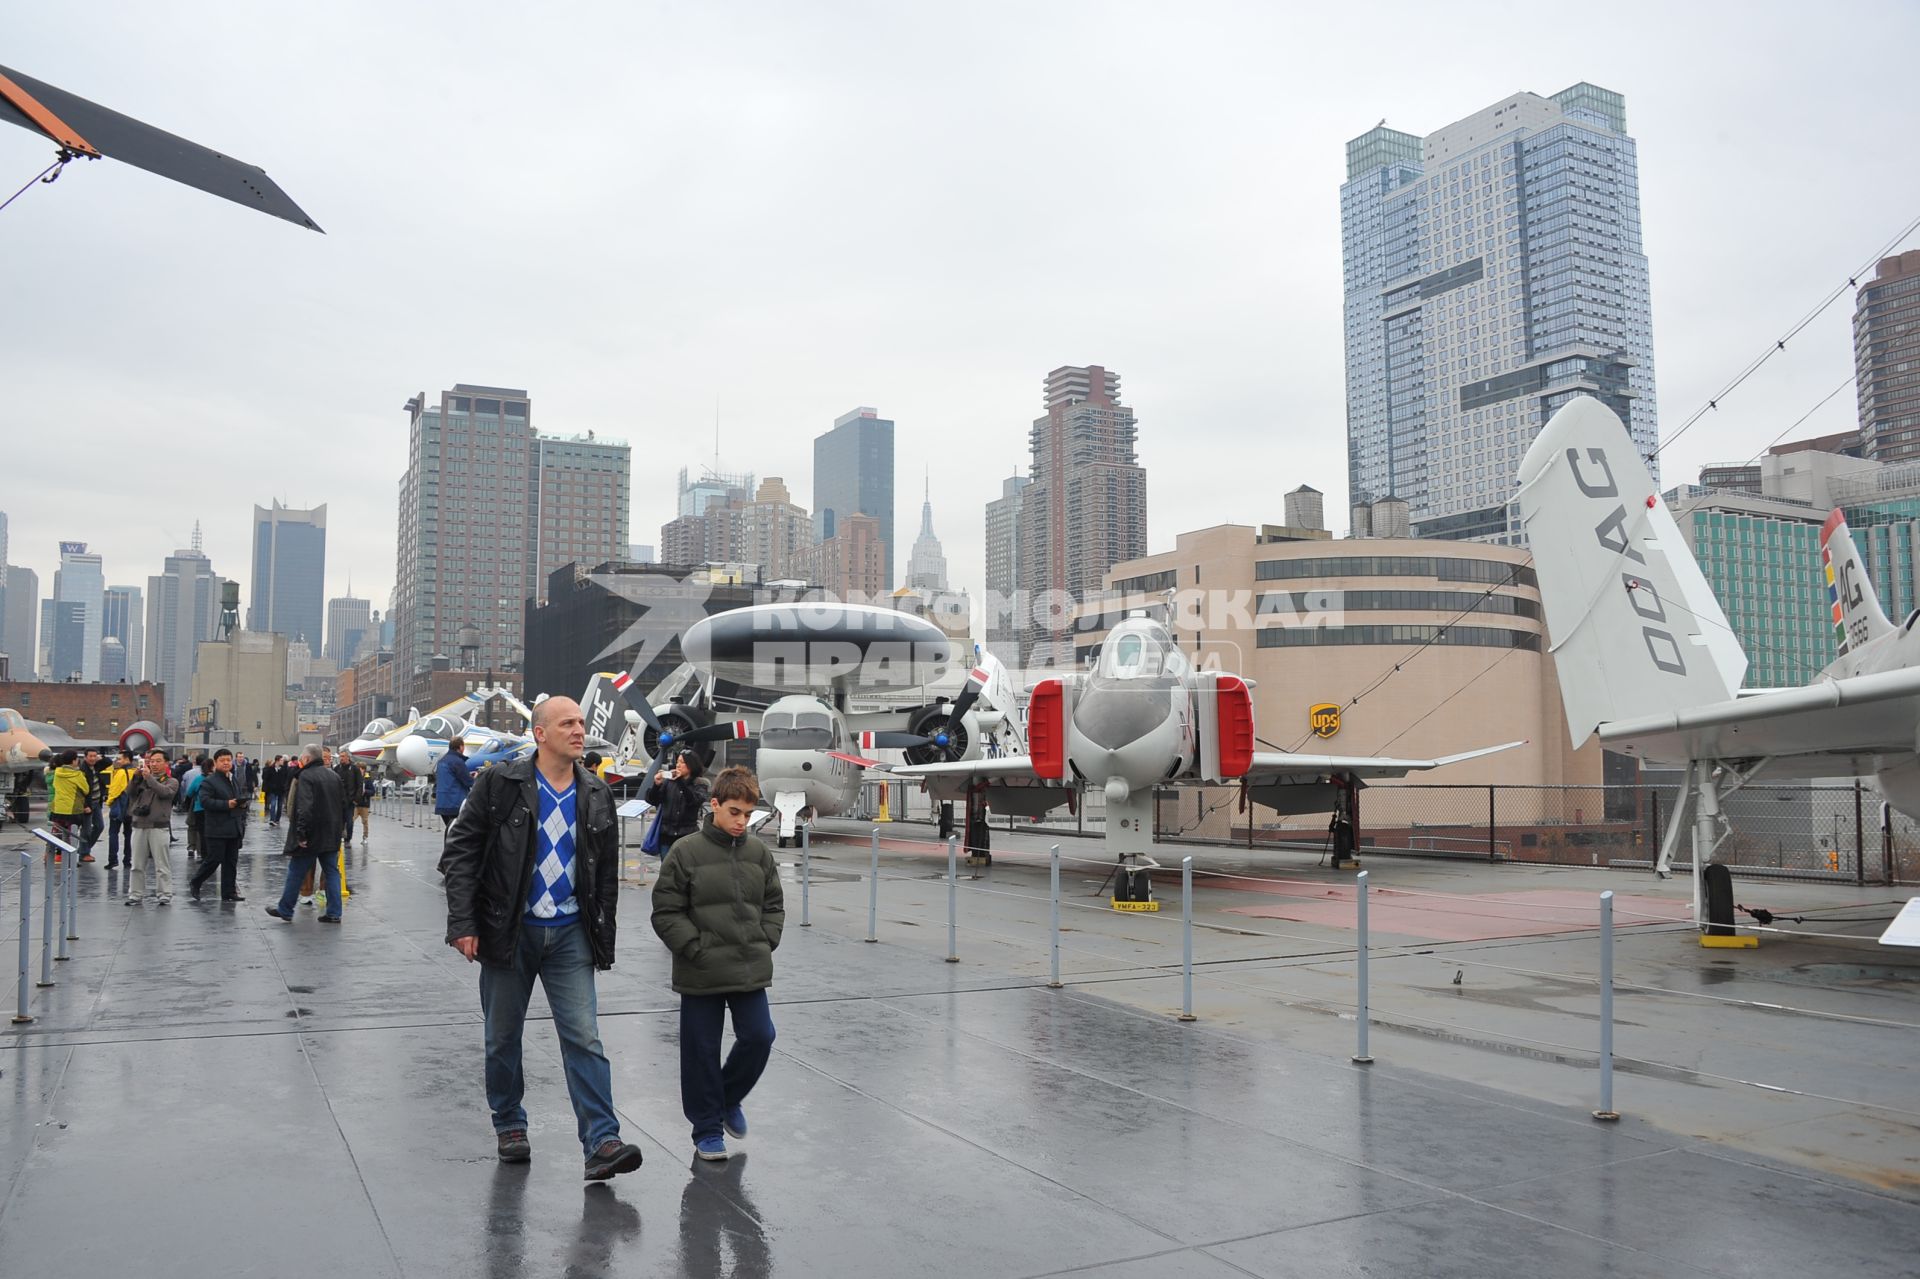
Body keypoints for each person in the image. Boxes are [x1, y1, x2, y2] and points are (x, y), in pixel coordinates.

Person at [441, 697, 641, 1181]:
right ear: (540, 733)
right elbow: (460, 854)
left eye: (579, 723)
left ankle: (602, 1141)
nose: (578, 730)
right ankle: (509, 1122)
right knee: (502, 1037)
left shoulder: (596, 792)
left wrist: (602, 936)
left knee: (584, 1037)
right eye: (567, 723)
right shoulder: (499, 783)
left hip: (571, 933)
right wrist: (463, 924)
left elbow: (605, 875)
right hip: (510, 931)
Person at [650, 765, 783, 1162]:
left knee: (760, 1036)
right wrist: (694, 948)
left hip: (748, 966)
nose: (741, 822)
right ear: (715, 806)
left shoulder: (759, 853)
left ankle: (728, 1098)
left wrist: (765, 939)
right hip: (701, 969)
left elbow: (773, 905)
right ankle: (707, 1129)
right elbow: (665, 911)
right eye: (734, 812)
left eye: (748, 813)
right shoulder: (685, 851)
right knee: (700, 1051)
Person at [268, 743, 344, 924]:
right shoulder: (334, 776)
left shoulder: (306, 777)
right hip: (331, 833)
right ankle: (334, 912)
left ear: (308, 759)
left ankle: (285, 909)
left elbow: (304, 808)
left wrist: (301, 834)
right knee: (332, 872)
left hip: (311, 835)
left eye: (302, 758)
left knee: (296, 871)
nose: (301, 761)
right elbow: (342, 804)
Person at [188, 749, 248, 902]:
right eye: (222, 760)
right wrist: (227, 804)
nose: (226, 763)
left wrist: (242, 804)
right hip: (217, 828)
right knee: (214, 859)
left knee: (231, 862)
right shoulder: (209, 781)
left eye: (229, 760)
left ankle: (229, 892)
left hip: (234, 827)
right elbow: (205, 802)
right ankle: (196, 881)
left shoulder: (233, 779)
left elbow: (238, 797)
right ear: (215, 763)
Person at [125, 749, 178, 905]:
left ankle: (164, 894)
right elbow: (129, 792)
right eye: (151, 761)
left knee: (162, 864)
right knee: (136, 864)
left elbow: (165, 793)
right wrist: (136, 778)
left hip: (158, 826)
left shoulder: (171, 781)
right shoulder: (141, 779)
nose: (154, 764)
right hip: (139, 825)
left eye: (157, 761)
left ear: (166, 763)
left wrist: (149, 779)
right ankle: (135, 894)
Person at [644, 751, 710, 849]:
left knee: (686, 863)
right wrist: (656, 785)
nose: (678, 765)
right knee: (667, 863)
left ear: (691, 764)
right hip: (666, 834)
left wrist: (680, 782)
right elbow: (653, 800)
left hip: (687, 835)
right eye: (678, 762)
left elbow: (693, 801)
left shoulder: (700, 783)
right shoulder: (669, 782)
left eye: (682, 762)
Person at [48, 750, 92, 855]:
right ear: (74, 761)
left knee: (58, 833)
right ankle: (69, 859)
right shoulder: (77, 774)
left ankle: (57, 855)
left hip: (58, 808)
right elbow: (86, 789)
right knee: (71, 835)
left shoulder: (57, 772)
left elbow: (55, 786)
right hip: (72, 810)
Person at [105, 751, 139, 869]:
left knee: (113, 833)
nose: (117, 761)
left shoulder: (120, 773)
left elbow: (115, 790)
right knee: (129, 834)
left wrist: (109, 802)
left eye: (119, 759)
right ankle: (127, 859)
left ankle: (113, 859)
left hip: (119, 807)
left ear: (126, 759)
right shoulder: (136, 772)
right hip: (132, 808)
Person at [435, 737, 475, 831]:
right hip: (455, 803)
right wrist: (476, 777)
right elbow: (469, 782)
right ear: (461, 747)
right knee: (458, 832)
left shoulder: (442, 761)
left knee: (450, 831)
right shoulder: (457, 761)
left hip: (442, 803)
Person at [263, 756, 288, 827]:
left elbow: (286, 778)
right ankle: (272, 819)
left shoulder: (284, 769)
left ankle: (277, 819)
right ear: (277, 761)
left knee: (280, 805)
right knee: (273, 804)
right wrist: (270, 786)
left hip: (281, 790)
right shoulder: (270, 769)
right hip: (273, 790)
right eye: (281, 760)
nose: (283, 761)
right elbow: (266, 778)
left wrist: (284, 786)